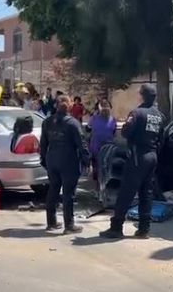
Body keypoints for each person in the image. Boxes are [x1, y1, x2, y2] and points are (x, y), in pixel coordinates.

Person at [100, 84, 166, 239]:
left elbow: (127, 132)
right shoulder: (160, 116)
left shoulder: (137, 113)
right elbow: (162, 139)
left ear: (141, 96)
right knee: (146, 193)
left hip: (138, 156)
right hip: (152, 156)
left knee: (126, 192)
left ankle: (116, 227)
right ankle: (144, 229)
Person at [39, 95, 89, 234]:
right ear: (70, 106)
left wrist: (43, 159)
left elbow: (43, 144)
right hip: (68, 161)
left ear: (56, 105)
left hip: (52, 159)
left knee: (53, 189)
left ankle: (51, 222)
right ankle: (69, 225)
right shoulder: (73, 123)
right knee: (68, 193)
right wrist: (87, 161)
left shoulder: (47, 122)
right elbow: (82, 144)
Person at [87, 99, 117, 184]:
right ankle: (101, 188)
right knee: (103, 170)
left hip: (101, 148)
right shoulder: (112, 120)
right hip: (103, 148)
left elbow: (88, 129)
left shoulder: (95, 118)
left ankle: (100, 188)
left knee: (101, 170)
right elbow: (113, 132)